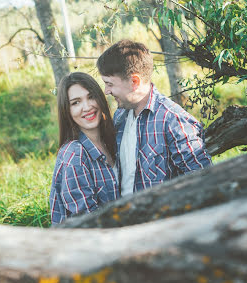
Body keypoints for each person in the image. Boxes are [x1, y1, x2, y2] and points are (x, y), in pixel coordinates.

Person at [97, 39, 212, 197]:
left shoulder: (173, 120)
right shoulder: (120, 116)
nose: (106, 91)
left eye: (109, 84)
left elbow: (204, 180)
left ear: (134, 81)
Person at [49, 72, 119, 225]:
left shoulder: (113, 141)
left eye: (91, 97)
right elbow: (87, 223)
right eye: (76, 103)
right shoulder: (75, 154)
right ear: (66, 111)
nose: (87, 107)